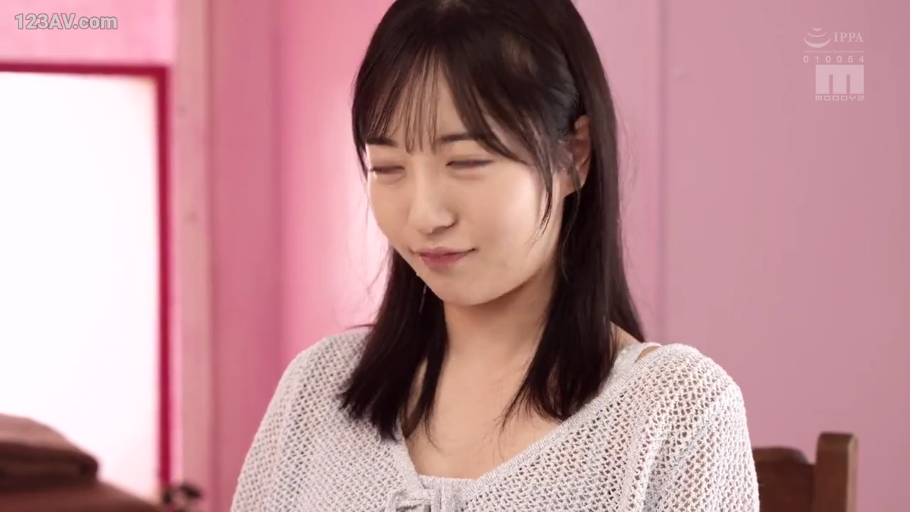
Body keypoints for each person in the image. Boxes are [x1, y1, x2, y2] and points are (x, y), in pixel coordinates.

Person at [231, 0, 760, 510]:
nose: (425, 215)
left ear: (573, 155)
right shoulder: (317, 388)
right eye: (388, 168)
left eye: (466, 162)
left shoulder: (674, 412)